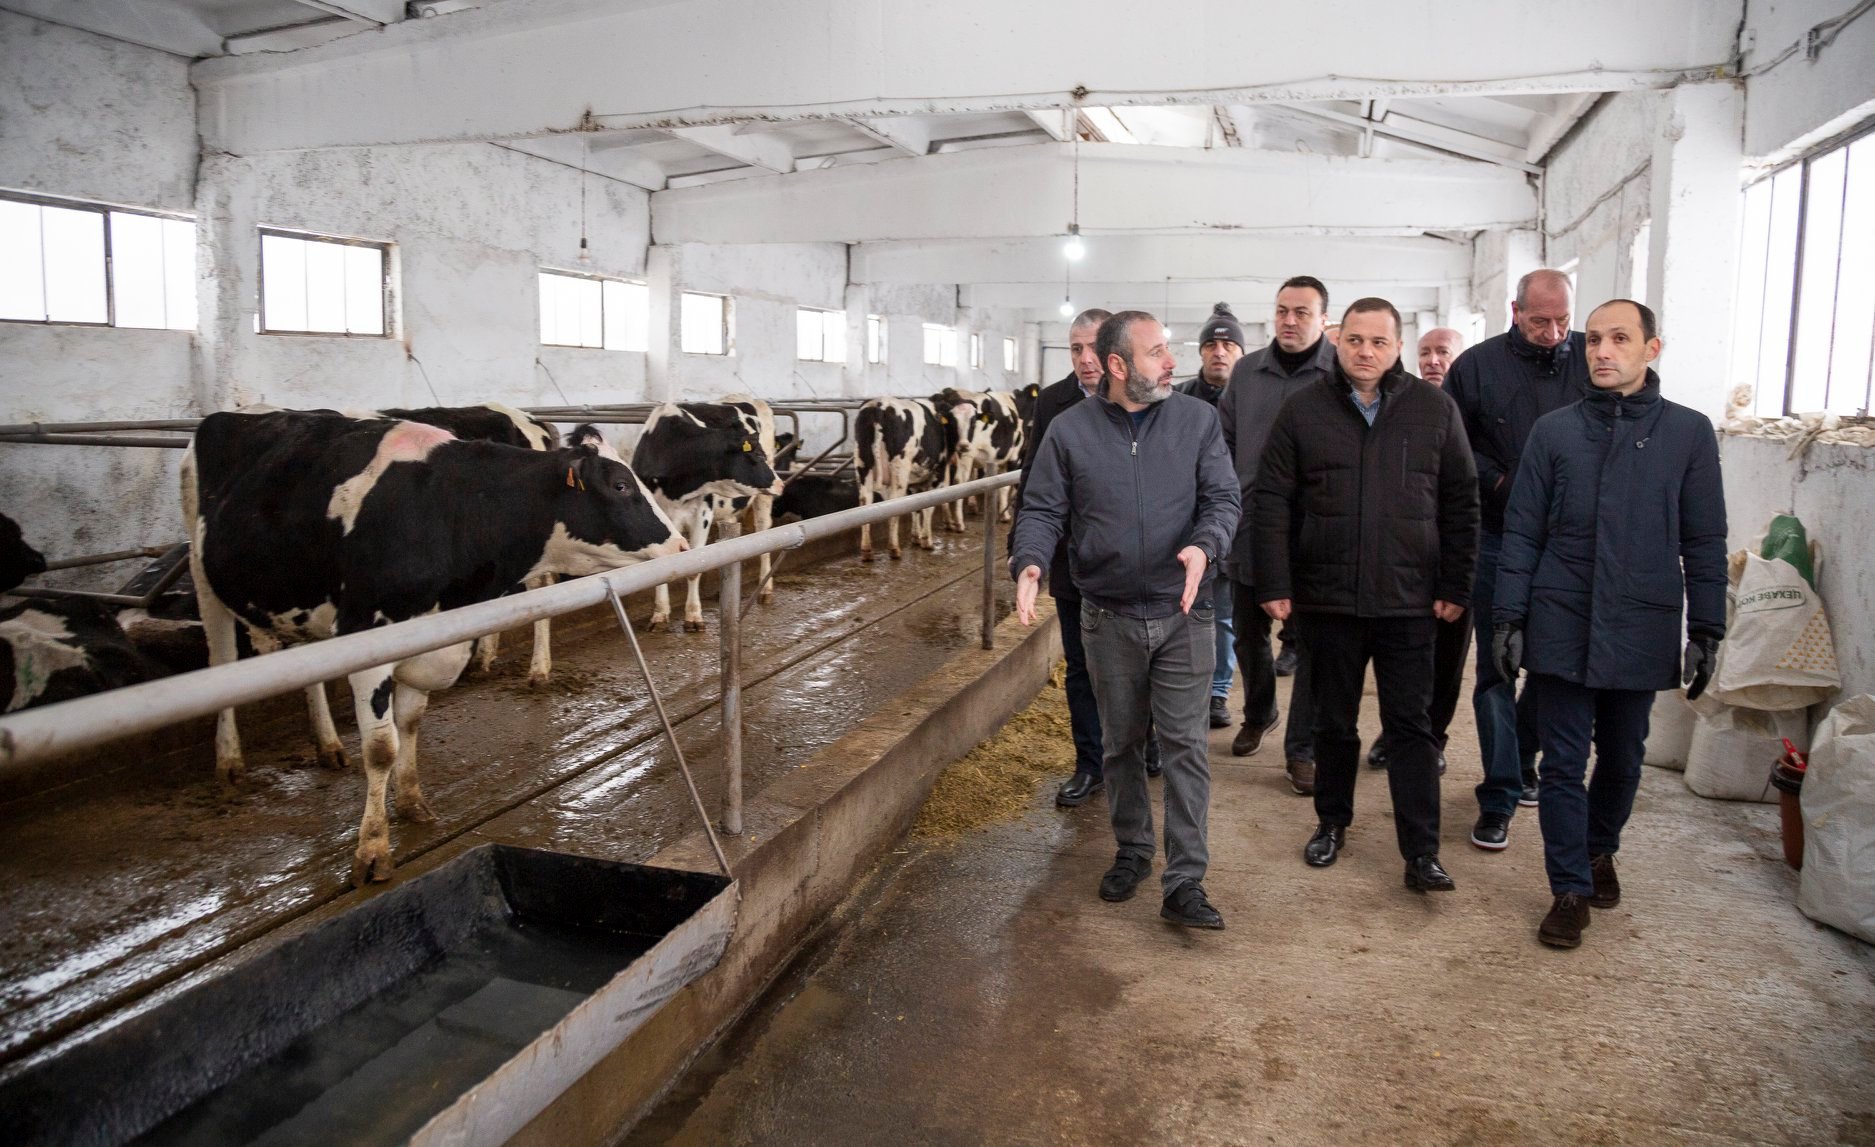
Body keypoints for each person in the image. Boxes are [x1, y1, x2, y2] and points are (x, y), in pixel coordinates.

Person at [1491, 299, 1726, 948]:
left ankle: (1599, 850)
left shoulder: (1688, 433)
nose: (1601, 350)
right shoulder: (1554, 432)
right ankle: (1568, 888)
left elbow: (1704, 539)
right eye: (1593, 339)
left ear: (1651, 349)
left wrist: (1707, 628)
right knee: (1563, 763)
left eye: (1619, 338)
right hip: (1561, 616)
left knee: (1623, 757)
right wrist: (1508, 616)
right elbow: (1522, 532)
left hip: (1641, 620)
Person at [1012, 311, 1240, 929]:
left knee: (1186, 746)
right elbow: (1042, 507)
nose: (1171, 362)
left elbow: (1223, 498)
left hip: (1184, 610)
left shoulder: (1196, 420)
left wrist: (1205, 546)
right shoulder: (1069, 430)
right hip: (1107, 614)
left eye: (1168, 350)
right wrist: (1030, 560)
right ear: (1118, 366)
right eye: (1156, 352)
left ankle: (1185, 880)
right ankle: (1134, 849)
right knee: (1120, 745)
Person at [1252, 298, 1478, 893]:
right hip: (1328, 599)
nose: (1366, 351)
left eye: (1379, 342)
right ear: (1338, 341)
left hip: (1410, 600)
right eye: (1355, 340)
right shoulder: (1304, 410)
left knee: (1411, 727)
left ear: (1397, 347)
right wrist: (1275, 582)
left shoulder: (1434, 409)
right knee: (1334, 723)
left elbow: (1462, 501)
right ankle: (1331, 822)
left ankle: (1421, 851)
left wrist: (1456, 584)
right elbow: (1272, 500)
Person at [1444, 269, 1587, 851]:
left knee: (1552, 665)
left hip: (1569, 545)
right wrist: (1503, 484)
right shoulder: (1475, 368)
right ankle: (1499, 795)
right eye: (1539, 322)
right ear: (1515, 311)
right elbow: (1454, 448)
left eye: (1562, 321)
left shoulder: (1591, 362)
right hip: (1498, 537)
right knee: (1498, 668)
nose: (1552, 333)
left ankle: (1523, 756)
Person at [1216, 277, 1336, 795]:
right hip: (1250, 525)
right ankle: (1259, 711)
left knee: (1311, 642)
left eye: (1302, 312)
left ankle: (1302, 749)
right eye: (1283, 310)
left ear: (1323, 319)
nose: (1289, 320)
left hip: (1315, 531)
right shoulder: (1247, 372)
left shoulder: (1339, 370)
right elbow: (1223, 442)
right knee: (1247, 632)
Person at [1013, 309, 1112, 808]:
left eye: (1093, 347)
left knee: (1138, 664)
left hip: (1133, 560)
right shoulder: (1053, 401)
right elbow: (1033, 476)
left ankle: (1145, 743)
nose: (1085, 359)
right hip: (1073, 557)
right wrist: (1024, 551)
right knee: (1080, 665)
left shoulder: (1141, 396)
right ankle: (1090, 764)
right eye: (1075, 349)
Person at [1369, 325, 1468, 778]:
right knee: (1402, 661)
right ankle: (1395, 734)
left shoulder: (1462, 407)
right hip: (1405, 557)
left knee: (1447, 658)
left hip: (1452, 551)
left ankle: (1433, 738)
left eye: (1443, 352)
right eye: (1425, 352)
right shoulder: (1400, 404)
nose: (1433, 361)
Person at [1176, 303, 1248, 730]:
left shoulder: (1251, 399)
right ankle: (1185, 692)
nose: (1219, 352)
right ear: (1201, 351)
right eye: (1211, 345)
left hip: (1229, 523)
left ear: (1240, 352)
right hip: (1181, 524)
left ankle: (1218, 692)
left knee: (1222, 615)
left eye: (1229, 345)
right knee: (1180, 613)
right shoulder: (1179, 397)